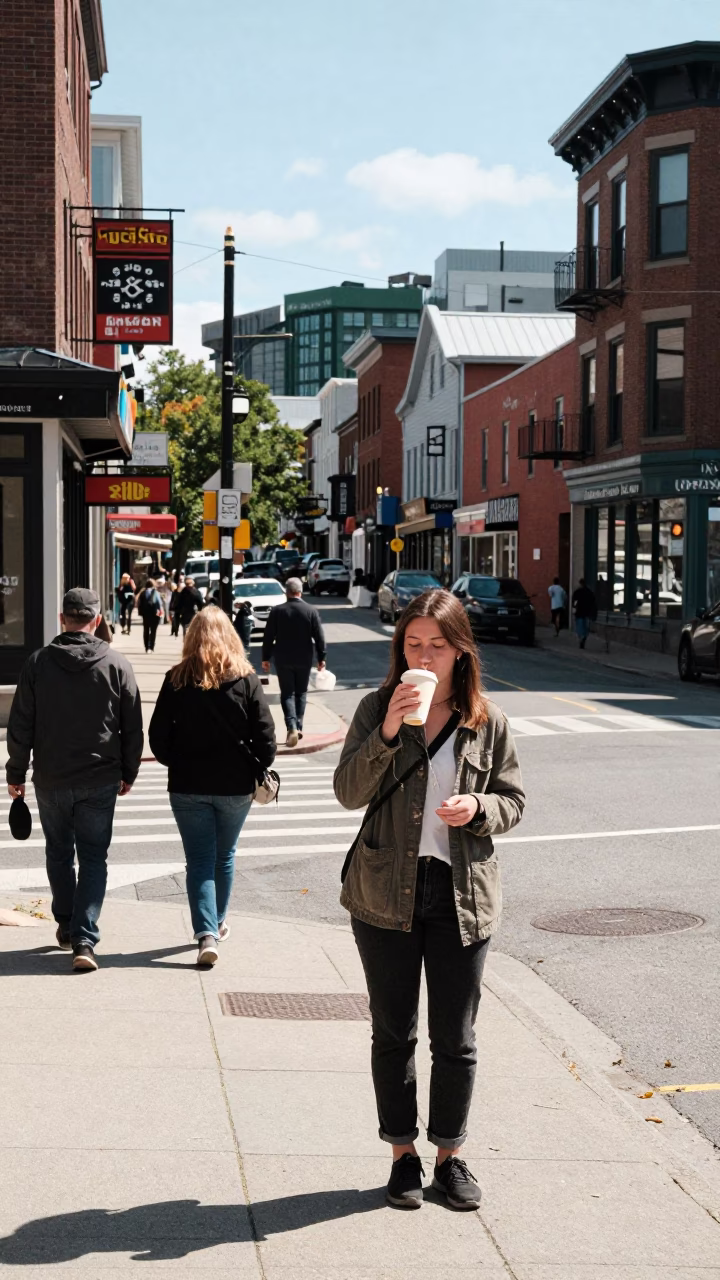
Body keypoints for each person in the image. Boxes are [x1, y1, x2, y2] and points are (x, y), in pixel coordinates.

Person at [334, 588, 524, 1211]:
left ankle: (450, 1154)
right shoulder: (374, 707)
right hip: (385, 890)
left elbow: (513, 800)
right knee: (393, 1031)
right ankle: (401, 1156)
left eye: (437, 645)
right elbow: (349, 792)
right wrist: (390, 726)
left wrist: (479, 808)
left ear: (460, 651)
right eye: (412, 644)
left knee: (457, 1036)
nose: (424, 655)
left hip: (461, 894)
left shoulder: (485, 720)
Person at [6, 588, 143, 972]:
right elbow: (132, 726)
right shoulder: (116, 664)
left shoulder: (37, 664)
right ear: (96, 620)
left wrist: (16, 771)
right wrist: (128, 771)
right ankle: (85, 938)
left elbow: (21, 724)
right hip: (100, 777)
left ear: (62, 618)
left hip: (50, 777)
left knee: (58, 852)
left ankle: (67, 924)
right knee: (94, 857)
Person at [149, 608, 276, 966]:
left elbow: (158, 737)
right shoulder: (246, 679)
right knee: (224, 854)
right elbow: (265, 736)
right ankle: (215, 926)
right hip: (235, 785)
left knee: (199, 859)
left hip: (188, 784)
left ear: (191, 637)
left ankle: (207, 932)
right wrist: (258, 766)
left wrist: (178, 760)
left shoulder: (176, 678)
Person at [261, 576, 326, 748]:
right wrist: (322, 658)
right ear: (300, 591)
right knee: (301, 693)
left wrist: (265, 657)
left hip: (283, 658)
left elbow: (268, 636)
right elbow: (319, 637)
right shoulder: (311, 611)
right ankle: (298, 724)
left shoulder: (277, 611)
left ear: (287, 592)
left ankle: (291, 727)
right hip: (304, 658)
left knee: (287, 693)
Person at [136, 578, 163, 652]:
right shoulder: (156, 593)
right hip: (154, 614)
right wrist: (161, 612)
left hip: (145, 614)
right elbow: (159, 603)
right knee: (153, 631)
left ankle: (146, 646)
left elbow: (139, 603)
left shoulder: (143, 593)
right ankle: (151, 646)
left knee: (146, 630)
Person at [572, 577, 597, 649]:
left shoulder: (577, 592)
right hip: (587, 613)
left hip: (579, 612)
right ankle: (584, 637)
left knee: (579, 627)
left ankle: (581, 638)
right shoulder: (590, 592)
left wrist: (574, 610)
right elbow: (593, 602)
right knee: (586, 627)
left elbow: (575, 602)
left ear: (580, 584)